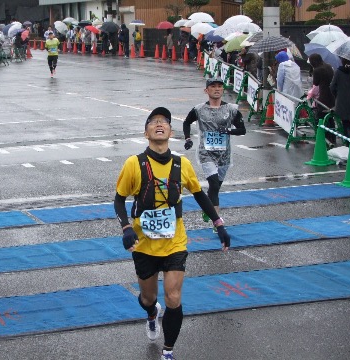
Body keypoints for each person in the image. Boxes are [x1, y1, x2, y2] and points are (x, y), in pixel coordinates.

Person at [114, 106, 231, 360]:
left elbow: (200, 195)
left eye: (164, 122)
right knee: (148, 297)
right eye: (153, 121)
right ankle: (151, 313)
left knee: (174, 297)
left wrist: (218, 224)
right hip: (143, 244)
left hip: (175, 242)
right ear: (146, 133)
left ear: (170, 131)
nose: (159, 124)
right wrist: (126, 228)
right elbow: (119, 200)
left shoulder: (182, 164)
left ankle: (168, 351)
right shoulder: (134, 164)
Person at [183, 78, 246, 220]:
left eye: (219, 86)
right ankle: (217, 221)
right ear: (207, 91)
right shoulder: (199, 109)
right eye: (213, 86)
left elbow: (242, 130)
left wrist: (228, 130)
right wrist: (187, 138)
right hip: (206, 152)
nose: (217, 89)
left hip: (225, 154)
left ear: (223, 90)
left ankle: (207, 208)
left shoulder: (231, 109)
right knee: (213, 184)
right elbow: (186, 122)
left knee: (215, 187)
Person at [330, 57, 350, 142]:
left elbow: (332, 87)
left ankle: (348, 143)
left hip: (342, 102)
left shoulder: (338, 72)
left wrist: (337, 95)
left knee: (346, 124)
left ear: (342, 61)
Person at [308, 53, 336, 144]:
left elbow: (315, 83)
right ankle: (333, 138)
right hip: (332, 96)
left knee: (321, 118)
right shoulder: (328, 66)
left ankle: (325, 140)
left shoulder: (317, 70)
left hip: (323, 96)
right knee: (330, 118)